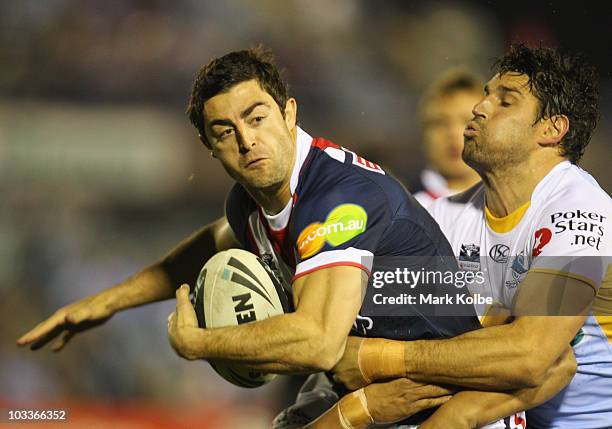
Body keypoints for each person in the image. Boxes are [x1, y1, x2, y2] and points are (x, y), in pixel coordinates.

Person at [18, 47, 488, 428]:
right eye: (226, 131)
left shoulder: (339, 198)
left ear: (289, 113)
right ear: (210, 147)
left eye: (256, 118)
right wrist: (106, 303)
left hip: (446, 401)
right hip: (373, 390)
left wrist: (199, 344)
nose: (246, 141)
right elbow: (211, 243)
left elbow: (317, 341)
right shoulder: (249, 202)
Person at [332, 44, 612, 428]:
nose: (478, 108)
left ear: (552, 129)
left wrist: (377, 355)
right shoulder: (442, 215)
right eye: (485, 94)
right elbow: (356, 311)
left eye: (505, 101)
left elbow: (531, 355)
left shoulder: (581, 211)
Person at [410, 68, 482, 207]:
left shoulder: (519, 204)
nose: (454, 133)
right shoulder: (405, 209)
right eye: (440, 123)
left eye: (468, 120)